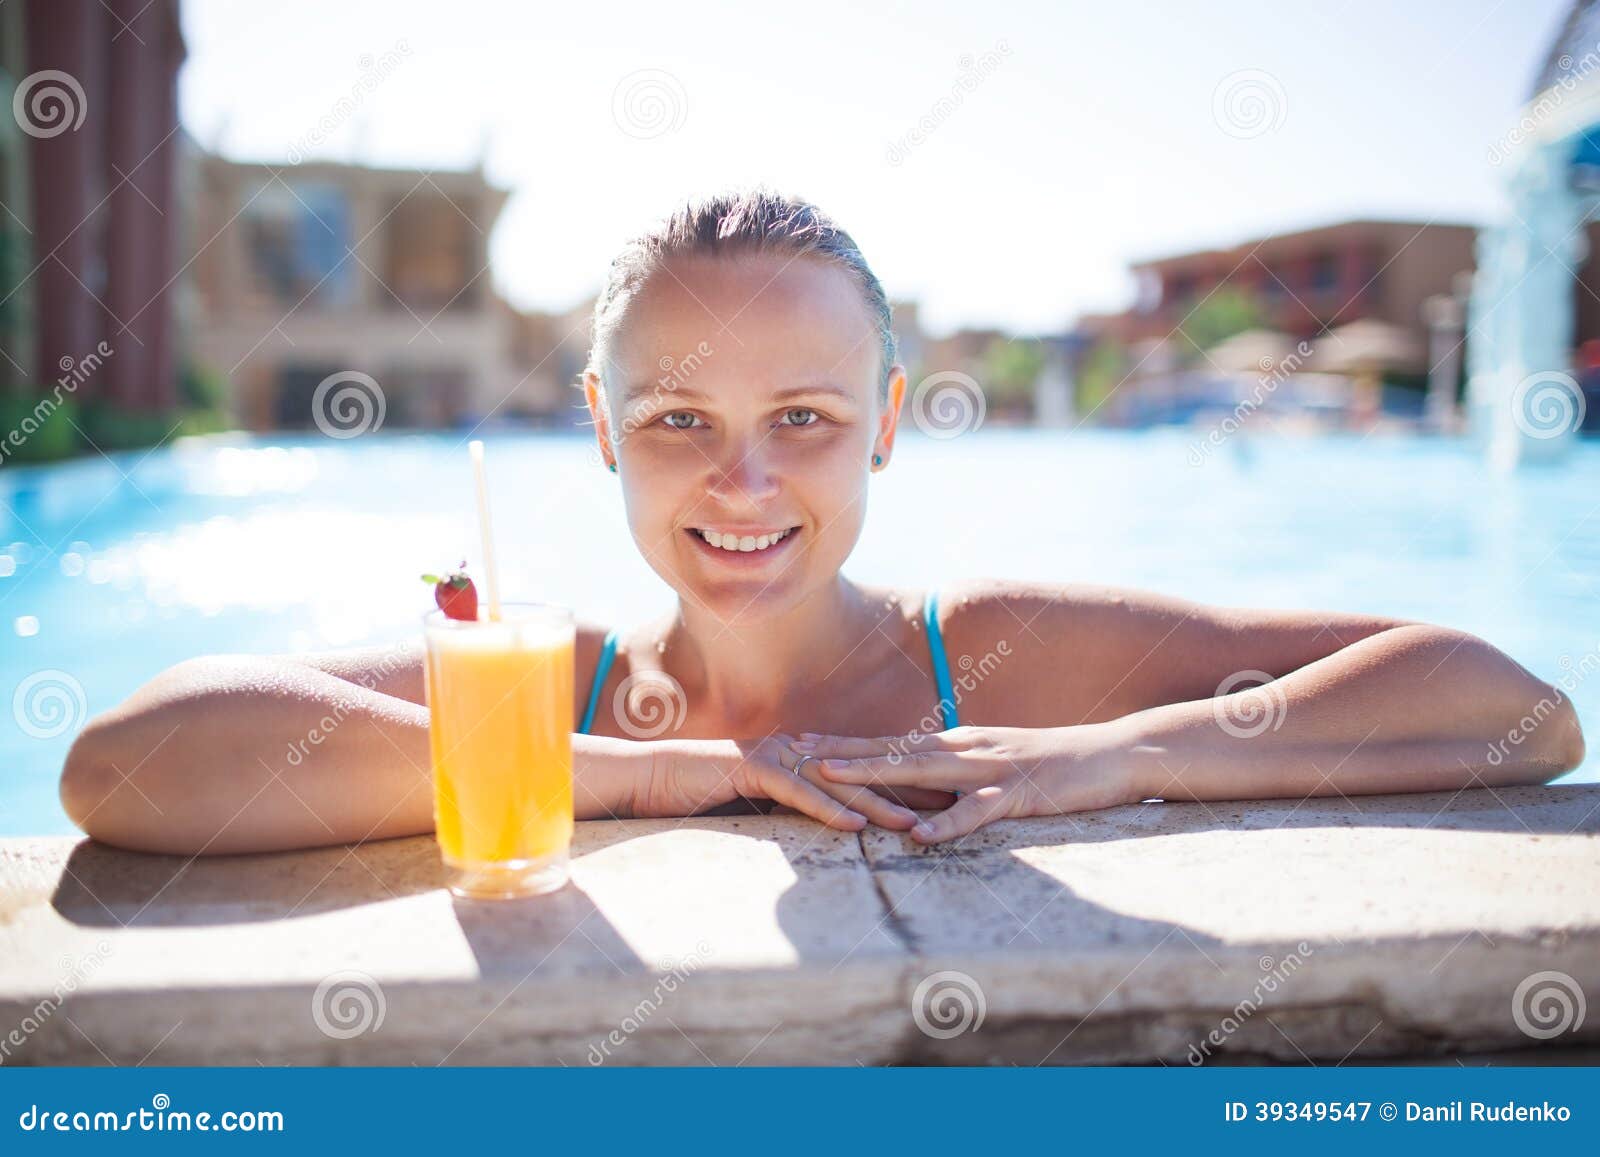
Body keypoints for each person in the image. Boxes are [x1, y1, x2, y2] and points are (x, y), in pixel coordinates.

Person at [60, 189, 1585, 856]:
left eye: (804, 421)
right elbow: (123, 762)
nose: (743, 484)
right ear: (601, 432)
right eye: (677, 424)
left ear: (888, 428)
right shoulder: (562, 683)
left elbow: (1520, 711)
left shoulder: (986, 659)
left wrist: (1125, 752)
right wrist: (667, 776)